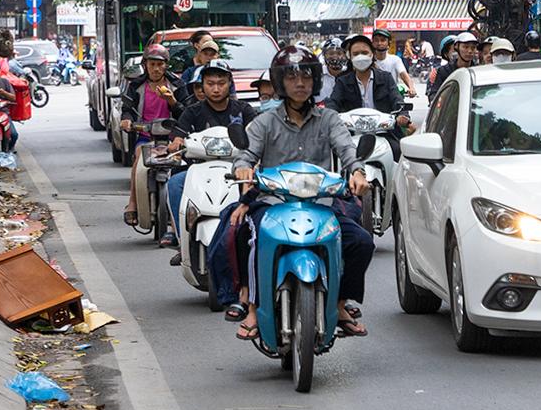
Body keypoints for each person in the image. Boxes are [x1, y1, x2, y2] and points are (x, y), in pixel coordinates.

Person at [226, 48, 375, 340]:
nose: (300, 83)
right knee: (252, 238)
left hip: (320, 203)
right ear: (280, 82)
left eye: (306, 75)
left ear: (316, 81)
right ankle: (255, 307)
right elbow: (246, 154)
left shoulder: (329, 119)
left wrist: (357, 172)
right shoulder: (264, 121)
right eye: (291, 76)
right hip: (273, 202)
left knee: (361, 242)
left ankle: (341, 303)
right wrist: (243, 168)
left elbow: (347, 150)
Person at [157, 59, 254, 250]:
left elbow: (256, 135)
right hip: (199, 169)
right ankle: (182, 239)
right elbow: (178, 134)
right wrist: (176, 142)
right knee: (175, 184)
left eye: (221, 83)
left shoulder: (244, 110)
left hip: (237, 169)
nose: (216, 89)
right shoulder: (192, 112)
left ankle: (251, 235)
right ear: (202, 86)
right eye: (210, 84)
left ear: (229, 84)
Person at [123, 45, 180, 224]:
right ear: (145, 65)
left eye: (159, 64)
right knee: (139, 159)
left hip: (171, 137)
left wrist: (172, 100)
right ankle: (132, 203)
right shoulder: (136, 86)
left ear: (166, 66)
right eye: (152, 64)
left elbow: (185, 112)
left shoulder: (177, 85)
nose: (156, 69)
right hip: (146, 136)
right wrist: (127, 121)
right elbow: (127, 109)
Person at [328, 33, 408, 114]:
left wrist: (403, 115)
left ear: (372, 54)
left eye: (364, 53)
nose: (360, 57)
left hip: (383, 125)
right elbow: (333, 103)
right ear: (349, 56)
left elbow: (397, 100)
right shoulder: (342, 81)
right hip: (351, 125)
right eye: (355, 54)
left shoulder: (386, 78)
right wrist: (330, 116)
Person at [368, 27, 414, 96]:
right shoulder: (368, 61)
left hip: (392, 96)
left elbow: (404, 75)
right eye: (376, 40)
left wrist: (411, 88)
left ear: (388, 43)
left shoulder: (395, 60)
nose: (379, 43)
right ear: (372, 43)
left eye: (383, 40)